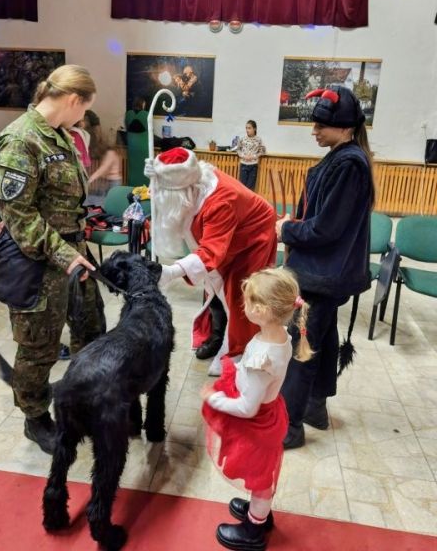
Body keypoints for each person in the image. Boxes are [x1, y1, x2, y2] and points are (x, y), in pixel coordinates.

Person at [0, 64, 105, 455]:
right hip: (39, 264)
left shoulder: (60, 135)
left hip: (74, 255)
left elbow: (64, 201)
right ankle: (35, 419)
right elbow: (19, 217)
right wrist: (66, 254)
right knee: (39, 348)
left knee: (91, 331)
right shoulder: (20, 140)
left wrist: (78, 240)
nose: (83, 117)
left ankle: (82, 401)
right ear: (72, 99)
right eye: (84, 108)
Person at [276, 85, 374, 449]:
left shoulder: (349, 164)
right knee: (323, 336)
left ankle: (289, 426)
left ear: (345, 127)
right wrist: (295, 226)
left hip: (322, 273)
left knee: (302, 345)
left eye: (321, 125)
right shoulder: (342, 157)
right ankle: (315, 408)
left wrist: (286, 230)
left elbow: (326, 228)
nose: (314, 131)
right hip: (324, 270)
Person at [201, 268, 312, 551]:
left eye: (247, 302)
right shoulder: (280, 336)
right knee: (261, 473)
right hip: (271, 413)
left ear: (261, 311)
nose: (244, 306)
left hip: (257, 423)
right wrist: (240, 370)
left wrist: (214, 399)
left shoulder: (263, 359)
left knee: (261, 480)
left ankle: (254, 529)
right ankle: (258, 512)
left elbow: (246, 408)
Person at [144, 147, 277, 373]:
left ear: (179, 191)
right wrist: (156, 177)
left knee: (240, 293)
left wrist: (171, 272)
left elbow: (210, 253)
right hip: (229, 228)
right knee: (212, 285)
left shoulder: (220, 201)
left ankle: (237, 352)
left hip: (253, 235)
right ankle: (218, 336)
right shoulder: (193, 182)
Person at [236, 120, 266, 191]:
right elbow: (238, 149)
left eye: (249, 128)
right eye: (246, 128)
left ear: (254, 129)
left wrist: (254, 156)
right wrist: (243, 156)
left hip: (253, 165)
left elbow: (263, 150)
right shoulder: (243, 139)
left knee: (250, 188)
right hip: (243, 165)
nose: (247, 130)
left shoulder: (258, 140)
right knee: (242, 187)